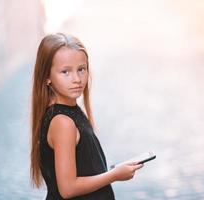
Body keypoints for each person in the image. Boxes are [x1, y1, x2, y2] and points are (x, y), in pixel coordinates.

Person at [30, 33, 143, 199]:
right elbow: (68, 189)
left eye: (81, 69)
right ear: (47, 77)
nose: (77, 79)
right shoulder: (63, 122)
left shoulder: (69, 110)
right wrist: (114, 175)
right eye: (65, 72)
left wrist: (112, 170)